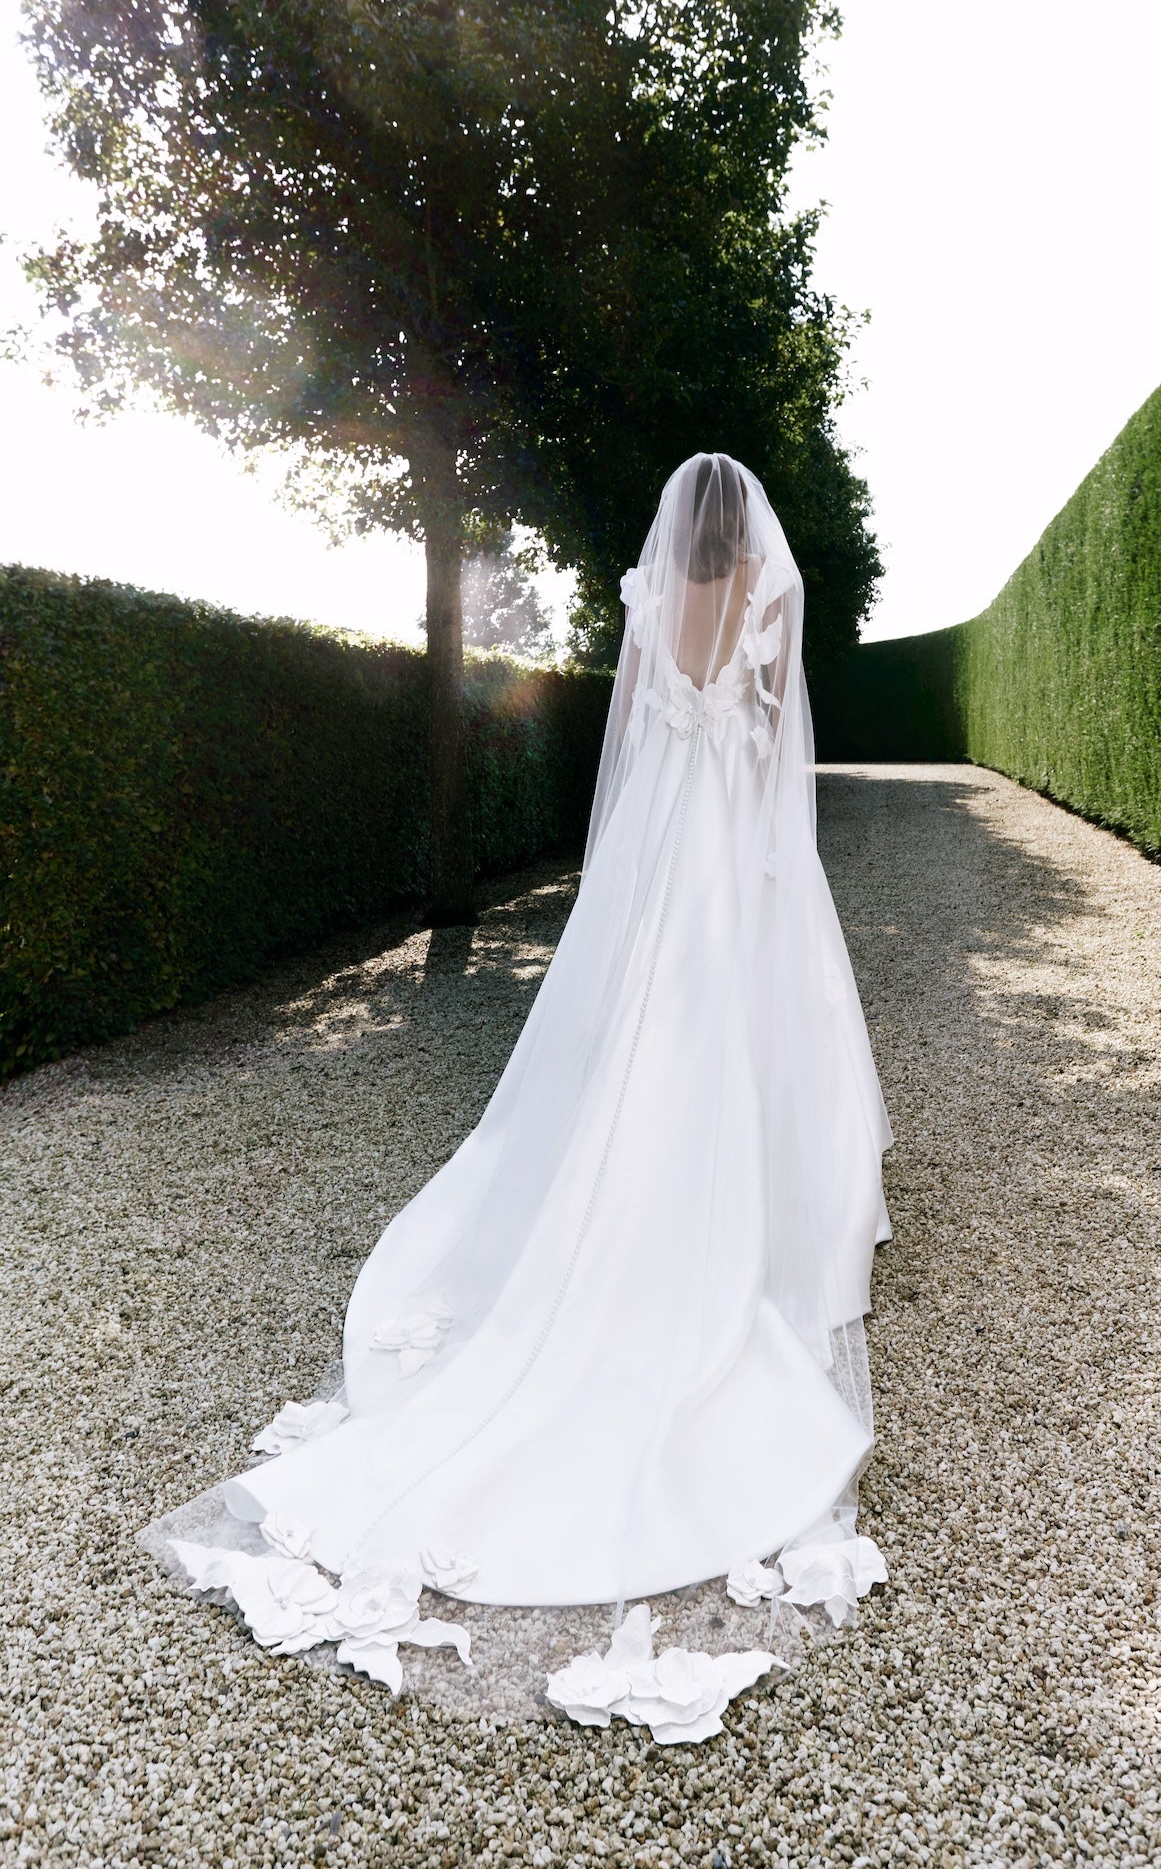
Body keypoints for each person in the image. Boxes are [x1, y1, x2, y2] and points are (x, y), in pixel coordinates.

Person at [150, 453, 892, 1739]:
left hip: (660, 854)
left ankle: (628, 1181)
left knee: (636, 1033)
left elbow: (633, 740)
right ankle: (736, 1205)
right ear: (750, 529)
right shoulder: (771, 596)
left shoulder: (655, 600)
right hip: (729, 848)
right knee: (737, 1026)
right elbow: (774, 736)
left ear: (679, 530)